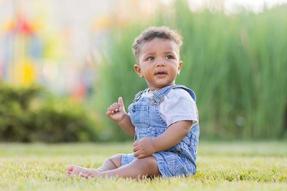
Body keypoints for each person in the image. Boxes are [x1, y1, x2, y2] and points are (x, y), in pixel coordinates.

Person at [67, 26, 200, 179]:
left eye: (169, 57)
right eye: (150, 58)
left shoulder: (179, 96)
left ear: (179, 67)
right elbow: (137, 132)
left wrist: (154, 145)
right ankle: (100, 171)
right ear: (139, 70)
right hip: (151, 157)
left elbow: (182, 128)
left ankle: (104, 176)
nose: (160, 63)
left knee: (144, 165)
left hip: (176, 161)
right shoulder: (143, 98)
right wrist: (123, 118)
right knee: (115, 160)